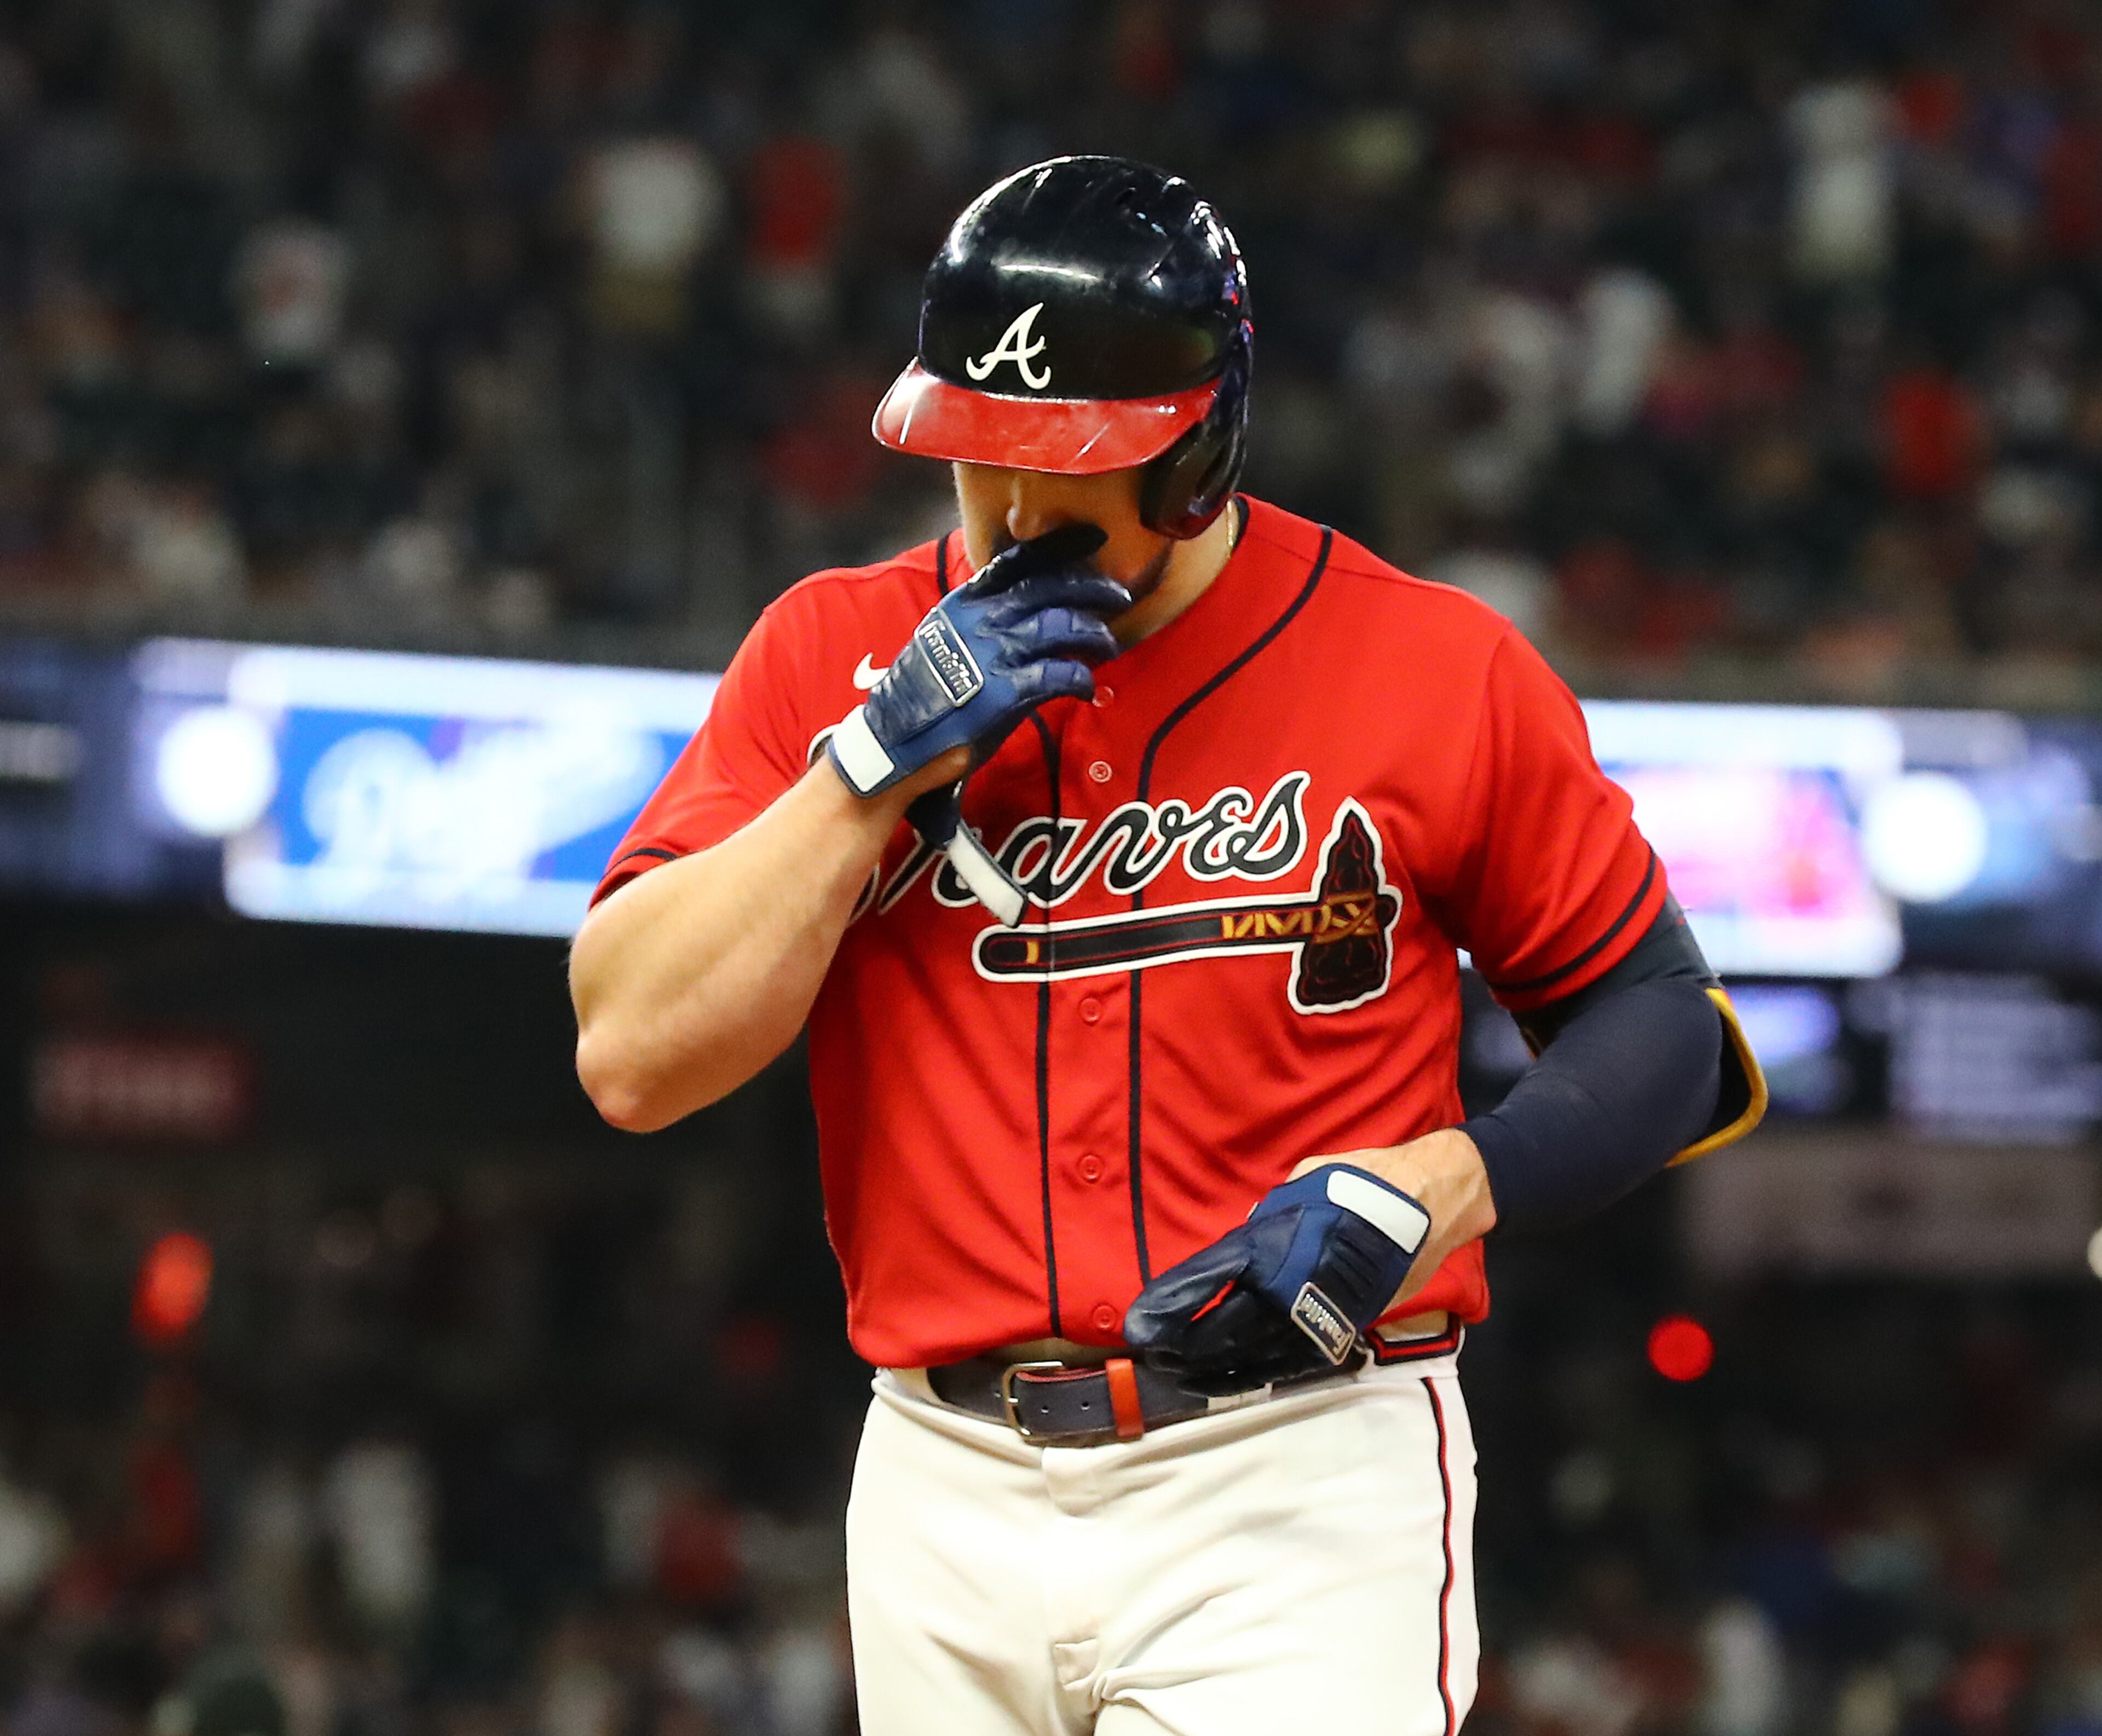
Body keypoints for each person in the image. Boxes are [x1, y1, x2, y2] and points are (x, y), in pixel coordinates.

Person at [570, 156, 1765, 1735]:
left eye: (1057, 462)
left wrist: (1445, 1184)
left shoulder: (1430, 666)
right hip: (942, 1473)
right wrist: (864, 774)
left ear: (1199, 445)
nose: (1004, 509)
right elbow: (632, 1056)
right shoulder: (829, 653)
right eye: (971, 456)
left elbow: (1661, 1024)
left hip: (1293, 1470)